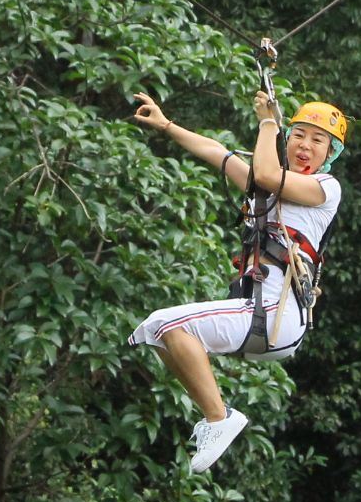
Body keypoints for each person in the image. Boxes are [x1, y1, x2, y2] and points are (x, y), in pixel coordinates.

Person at [128, 88, 348, 472]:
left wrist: (268, 122)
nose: (304, 145)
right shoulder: (263, 188)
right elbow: (217, 153)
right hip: (258, 313)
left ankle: (220, 417)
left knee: (168, 324)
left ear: (329, 154)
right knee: (159, 330)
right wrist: (166, 125)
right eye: (298, 135)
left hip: (278, 316)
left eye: (317, 141)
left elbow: (265, 172)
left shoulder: (326, 189)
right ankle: (216, 415)